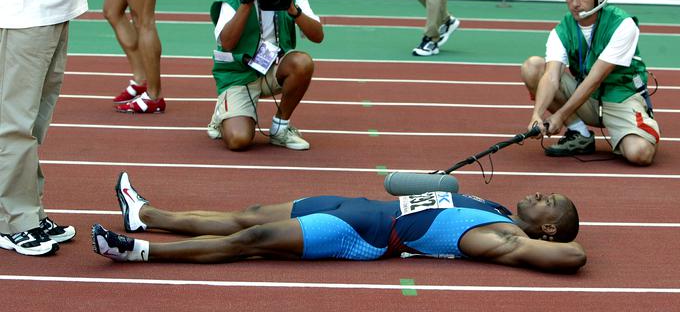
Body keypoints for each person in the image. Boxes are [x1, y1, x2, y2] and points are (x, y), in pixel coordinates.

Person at [0, 0, 137, 256]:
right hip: (24, 10)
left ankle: (25, 210)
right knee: (14, 125)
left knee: (31, 124)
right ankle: (15, 221)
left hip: (51, 7)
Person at [92, 172, 586, 272]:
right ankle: (147, 215)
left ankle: (136, 251)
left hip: (364, 235)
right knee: (250, 215)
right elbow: (410, 191)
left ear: (545, 228)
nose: (543, 194)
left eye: (552, 203)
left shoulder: (502, 236)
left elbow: (574, 254)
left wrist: (530, 243)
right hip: (359, 204)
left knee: (254, 239)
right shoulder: (494, 209)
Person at [521, 0, 660, 166]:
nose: (575, 3)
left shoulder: (622, 24)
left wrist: (560, 116)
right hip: (587, 98)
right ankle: (579, 134)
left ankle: (635, 127)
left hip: (620, 96)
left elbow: (595, 79)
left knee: (640, 154)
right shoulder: (561, 30)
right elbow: (551, 76)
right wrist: (536, 115)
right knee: (533, 67)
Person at [207, 0, 324, 151]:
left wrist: (294, 10)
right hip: (239, 75)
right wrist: (246, 3)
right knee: (239, 141)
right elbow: (227, 43)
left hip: (273, 70)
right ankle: (222, 114)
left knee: (302, 62)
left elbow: (318, 36)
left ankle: (280, 128)